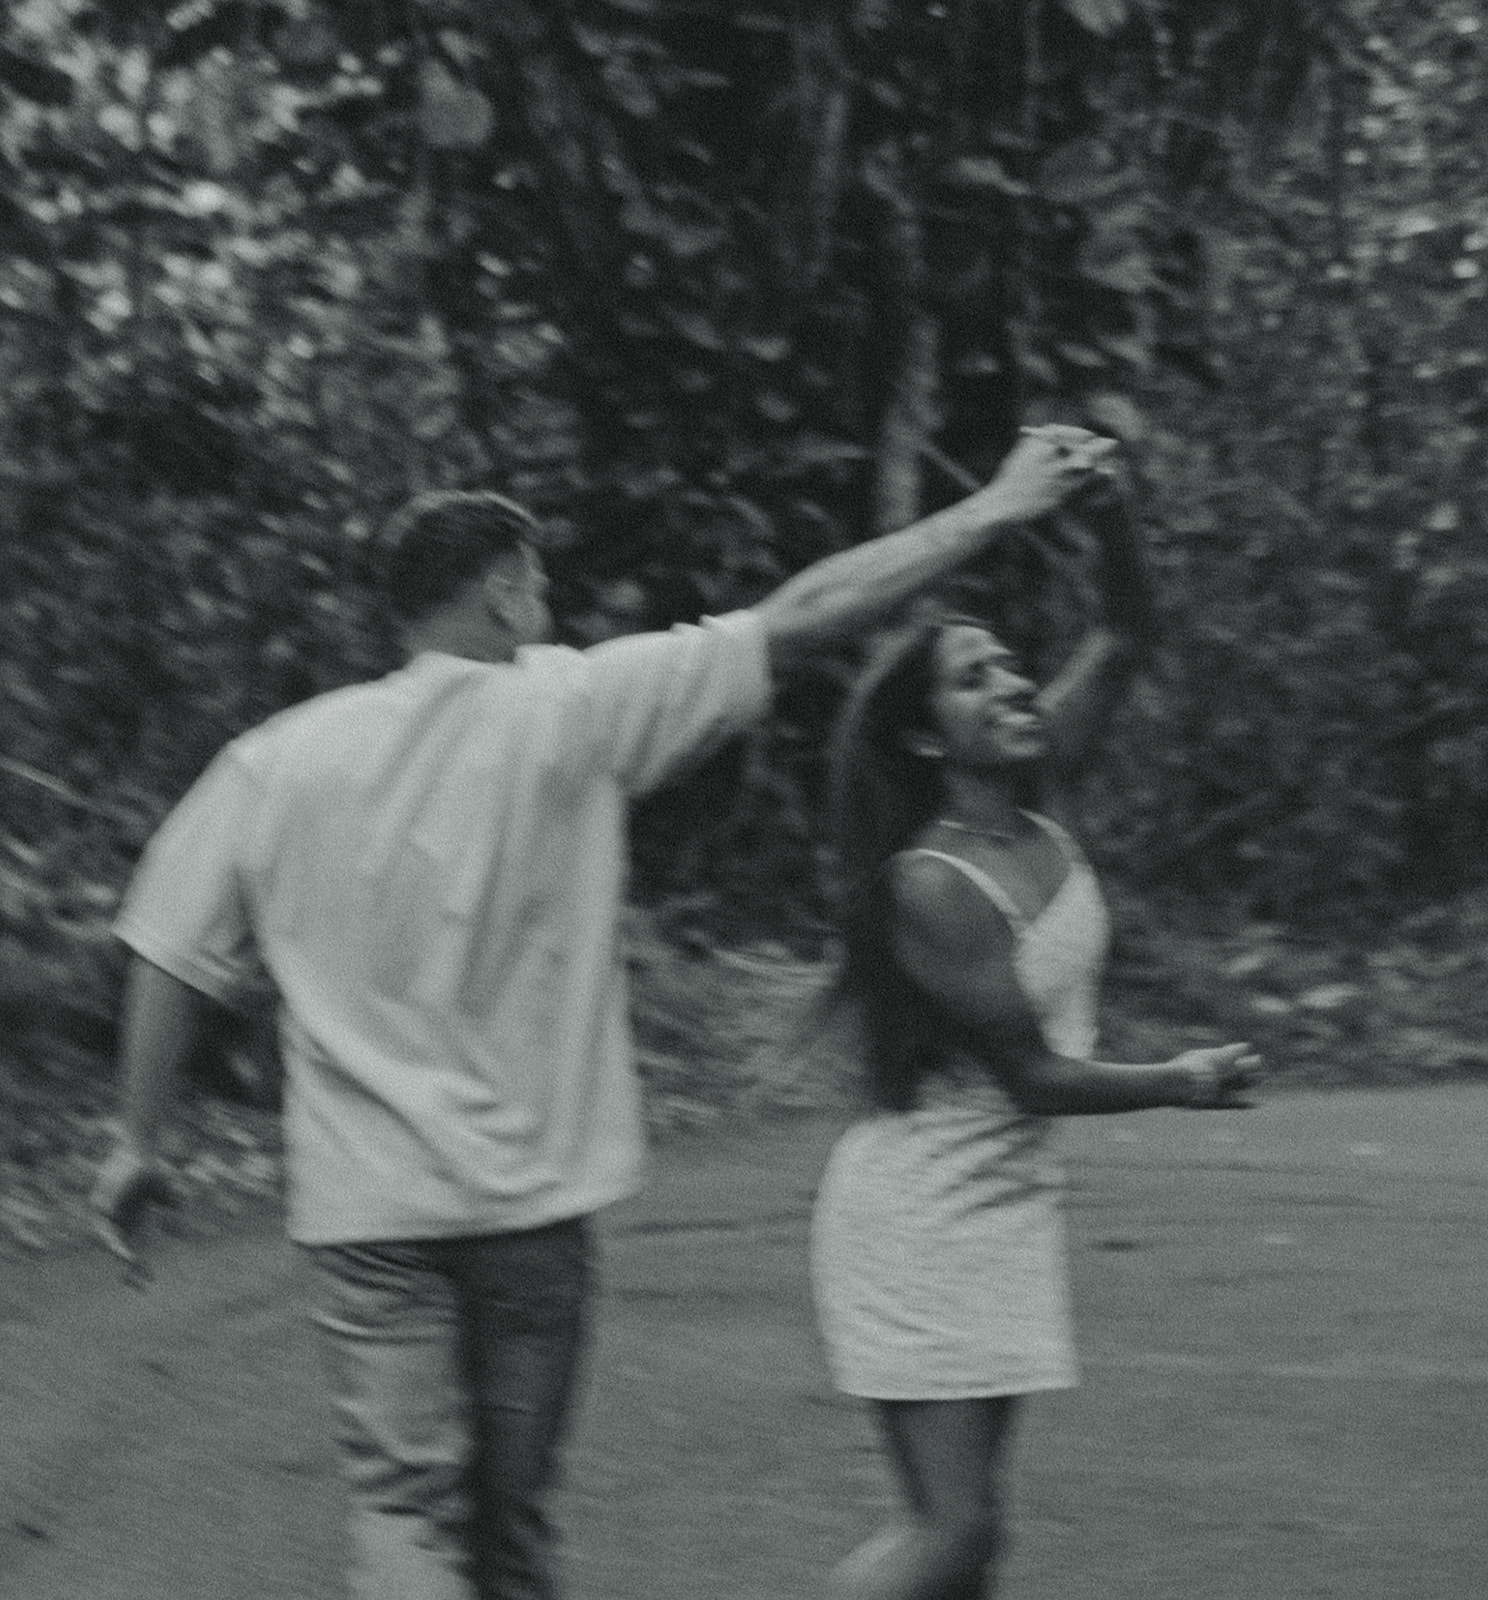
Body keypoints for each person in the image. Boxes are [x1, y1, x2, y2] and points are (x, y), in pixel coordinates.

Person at [89, 424, 1112, 1600]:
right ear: (505, 589)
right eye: (539, 583)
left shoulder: (280, 759)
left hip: (364, 1212)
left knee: (402, 1506)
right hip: (531, 1209)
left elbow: (165, 943)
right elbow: (810, 610)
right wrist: (995, 504)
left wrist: (137, 1139)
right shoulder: (572, 707)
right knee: (512, 1524)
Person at [810, 473, 1264, 1600]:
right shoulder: (932, 884)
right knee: (950, 1532)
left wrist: (1109, 515)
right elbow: (1031, 1076)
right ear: (924, 733)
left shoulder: (1035, 786)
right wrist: (1180, 1078)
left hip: (1000, 1206)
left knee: (974, 1539)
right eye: (974, 679)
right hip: (923, 1214)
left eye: (1008, 663)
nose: (1011, 683)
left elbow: (1124, 631)